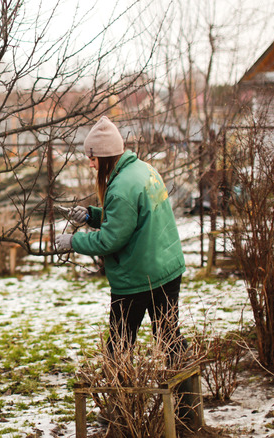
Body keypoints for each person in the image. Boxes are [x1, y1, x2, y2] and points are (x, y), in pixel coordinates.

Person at [54, 116, 187, 364]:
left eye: (93, 159)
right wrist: (92, 216)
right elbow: (131, 219)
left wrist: (73, 243)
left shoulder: (120, 187)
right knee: (169, 337)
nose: (91, 165)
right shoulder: (144, 169)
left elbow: (109, 241)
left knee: (119, 345)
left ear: (104, 157)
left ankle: (119, 399)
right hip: (166, 268)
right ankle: (186, 396)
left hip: (138, 276)